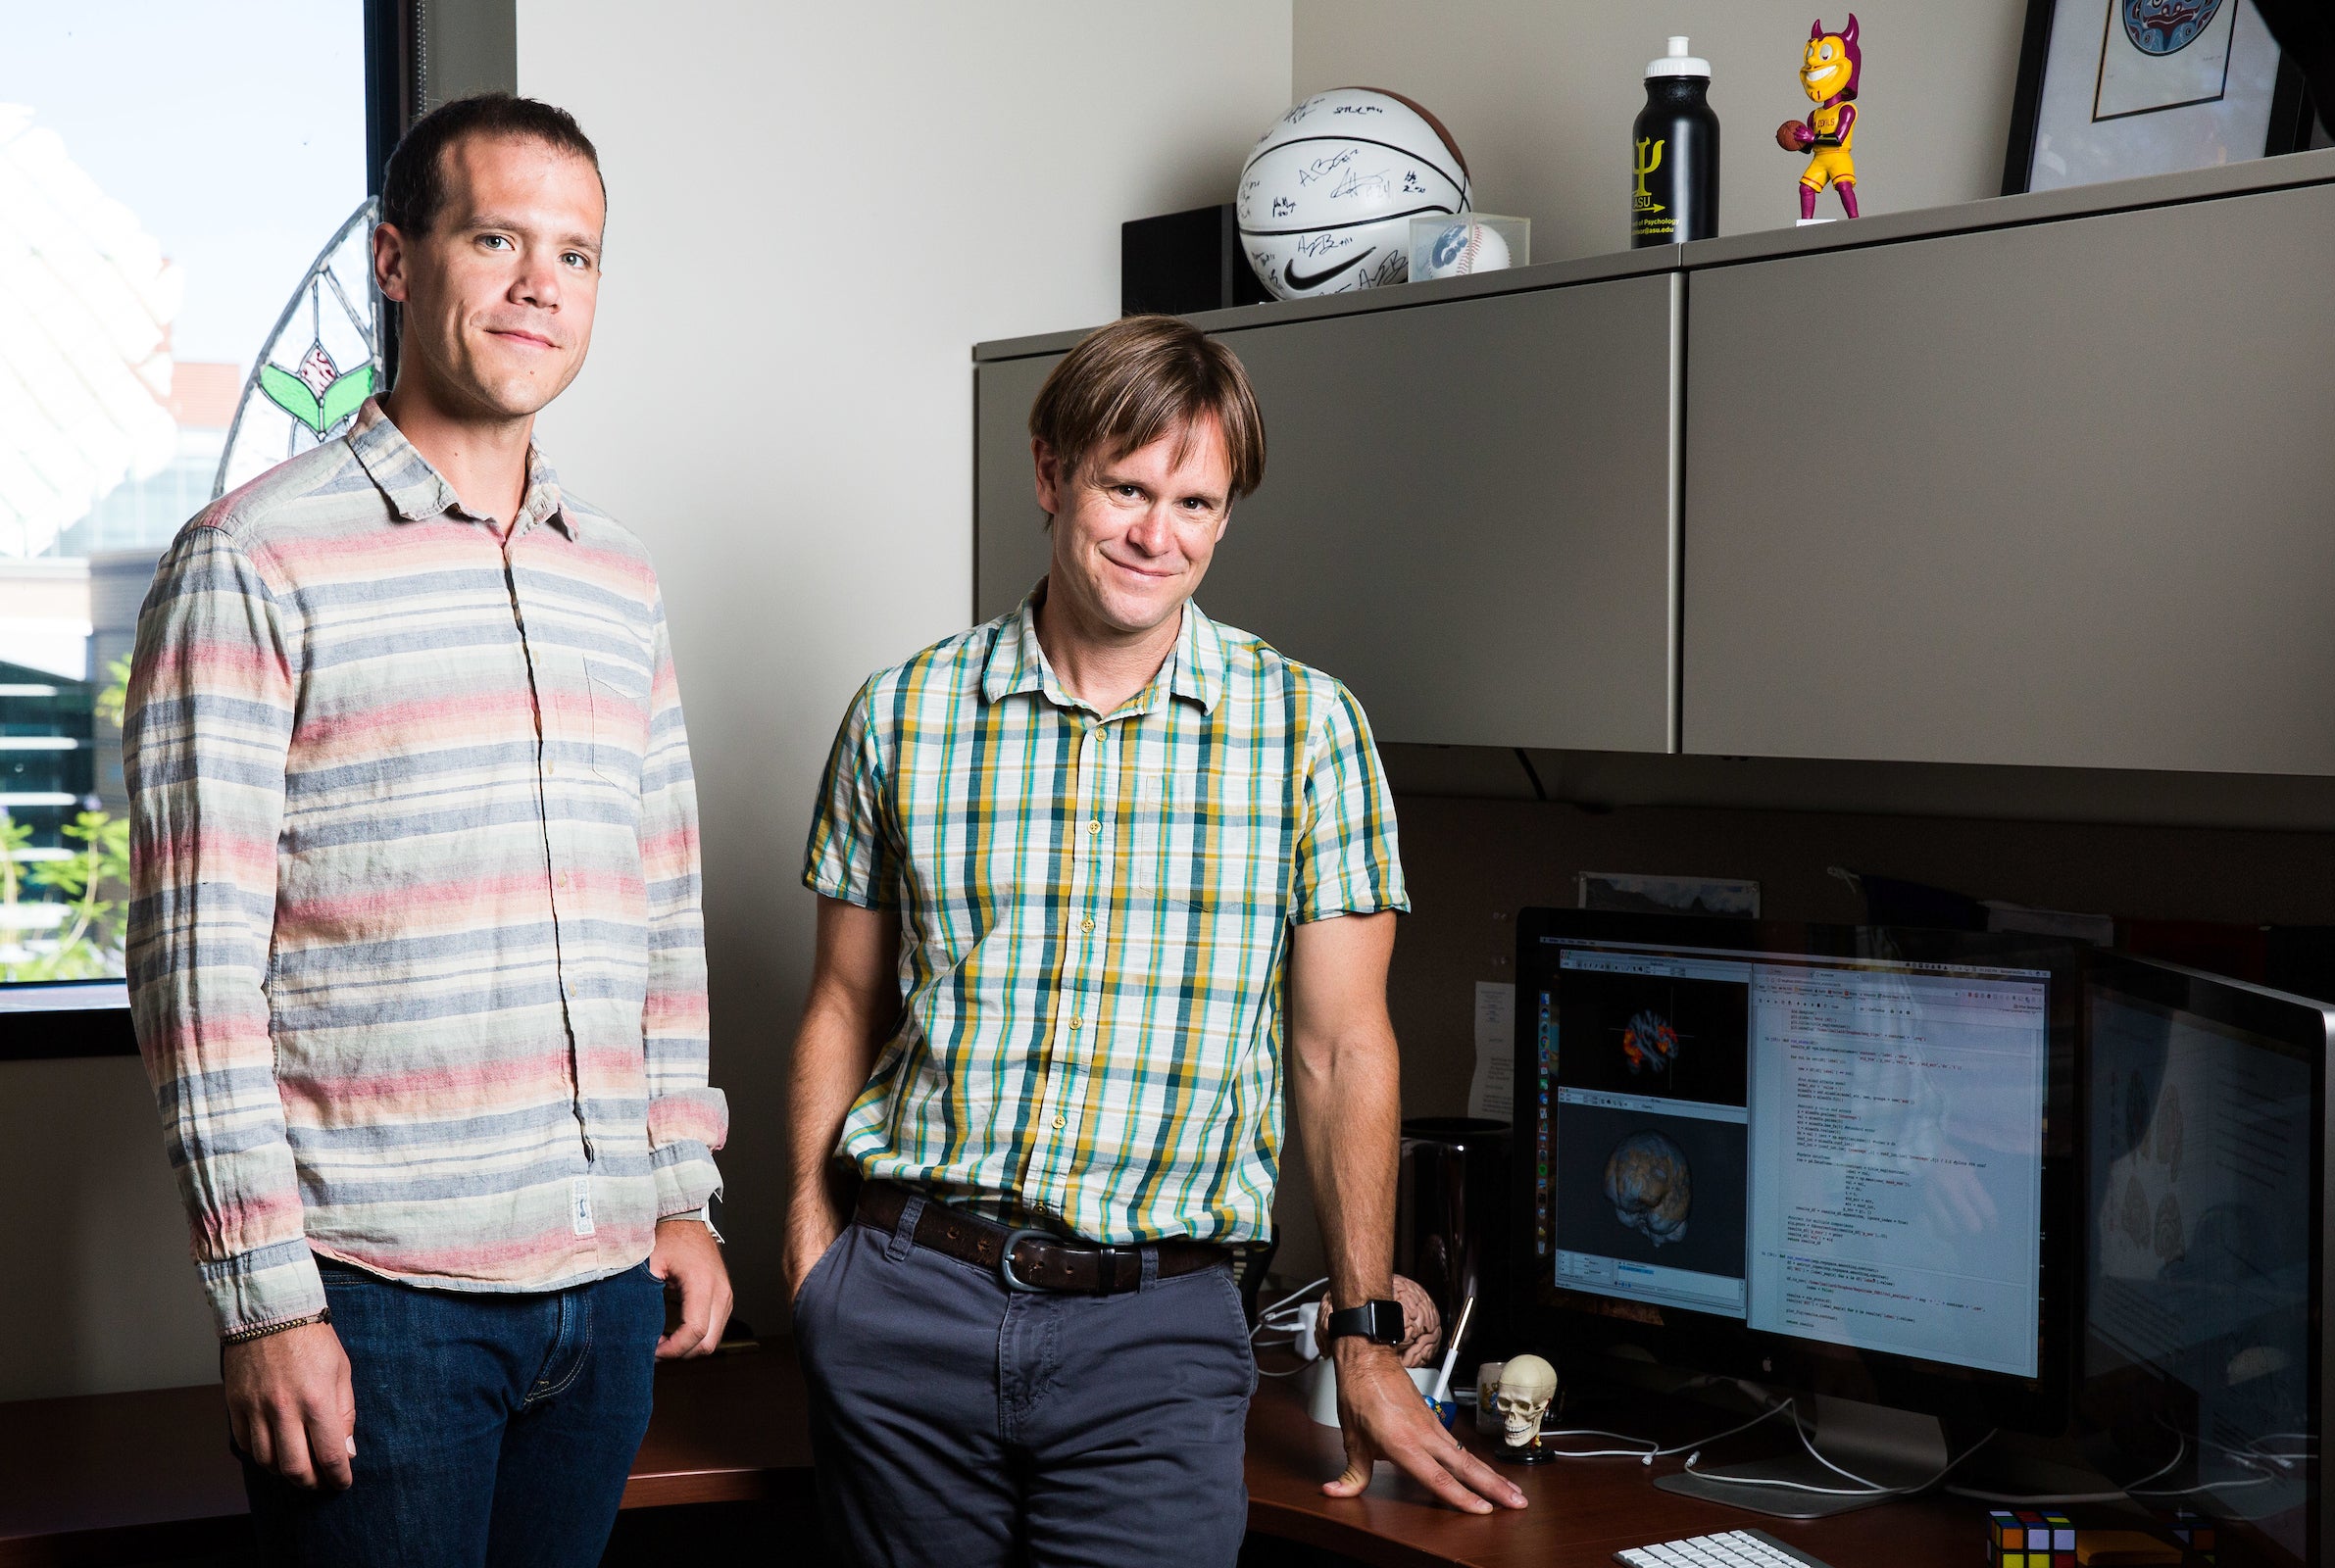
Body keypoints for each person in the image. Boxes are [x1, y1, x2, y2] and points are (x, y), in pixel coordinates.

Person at [784, 314, 1526, 1567]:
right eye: (1125, 488)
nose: (1155, 534)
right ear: (1049, 473)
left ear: (1227, 513)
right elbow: (841, 1003)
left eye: (1195, 501)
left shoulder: (1307, 732)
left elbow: (1344, 1049)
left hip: (1159, 1332)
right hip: (909, 1298)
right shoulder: (902, 712)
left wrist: (1360, 1333)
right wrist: (812, 1264)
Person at [123, 94, 730, 1567]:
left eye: (576, 255)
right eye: (497, 238)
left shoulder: (620, 580)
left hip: (603, 1293)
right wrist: (265, 1300)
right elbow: (196, 974)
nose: (541, 284)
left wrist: (681, 1193)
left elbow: (658, 915)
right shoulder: (254, 561)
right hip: (378, 1309)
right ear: (397, 261)